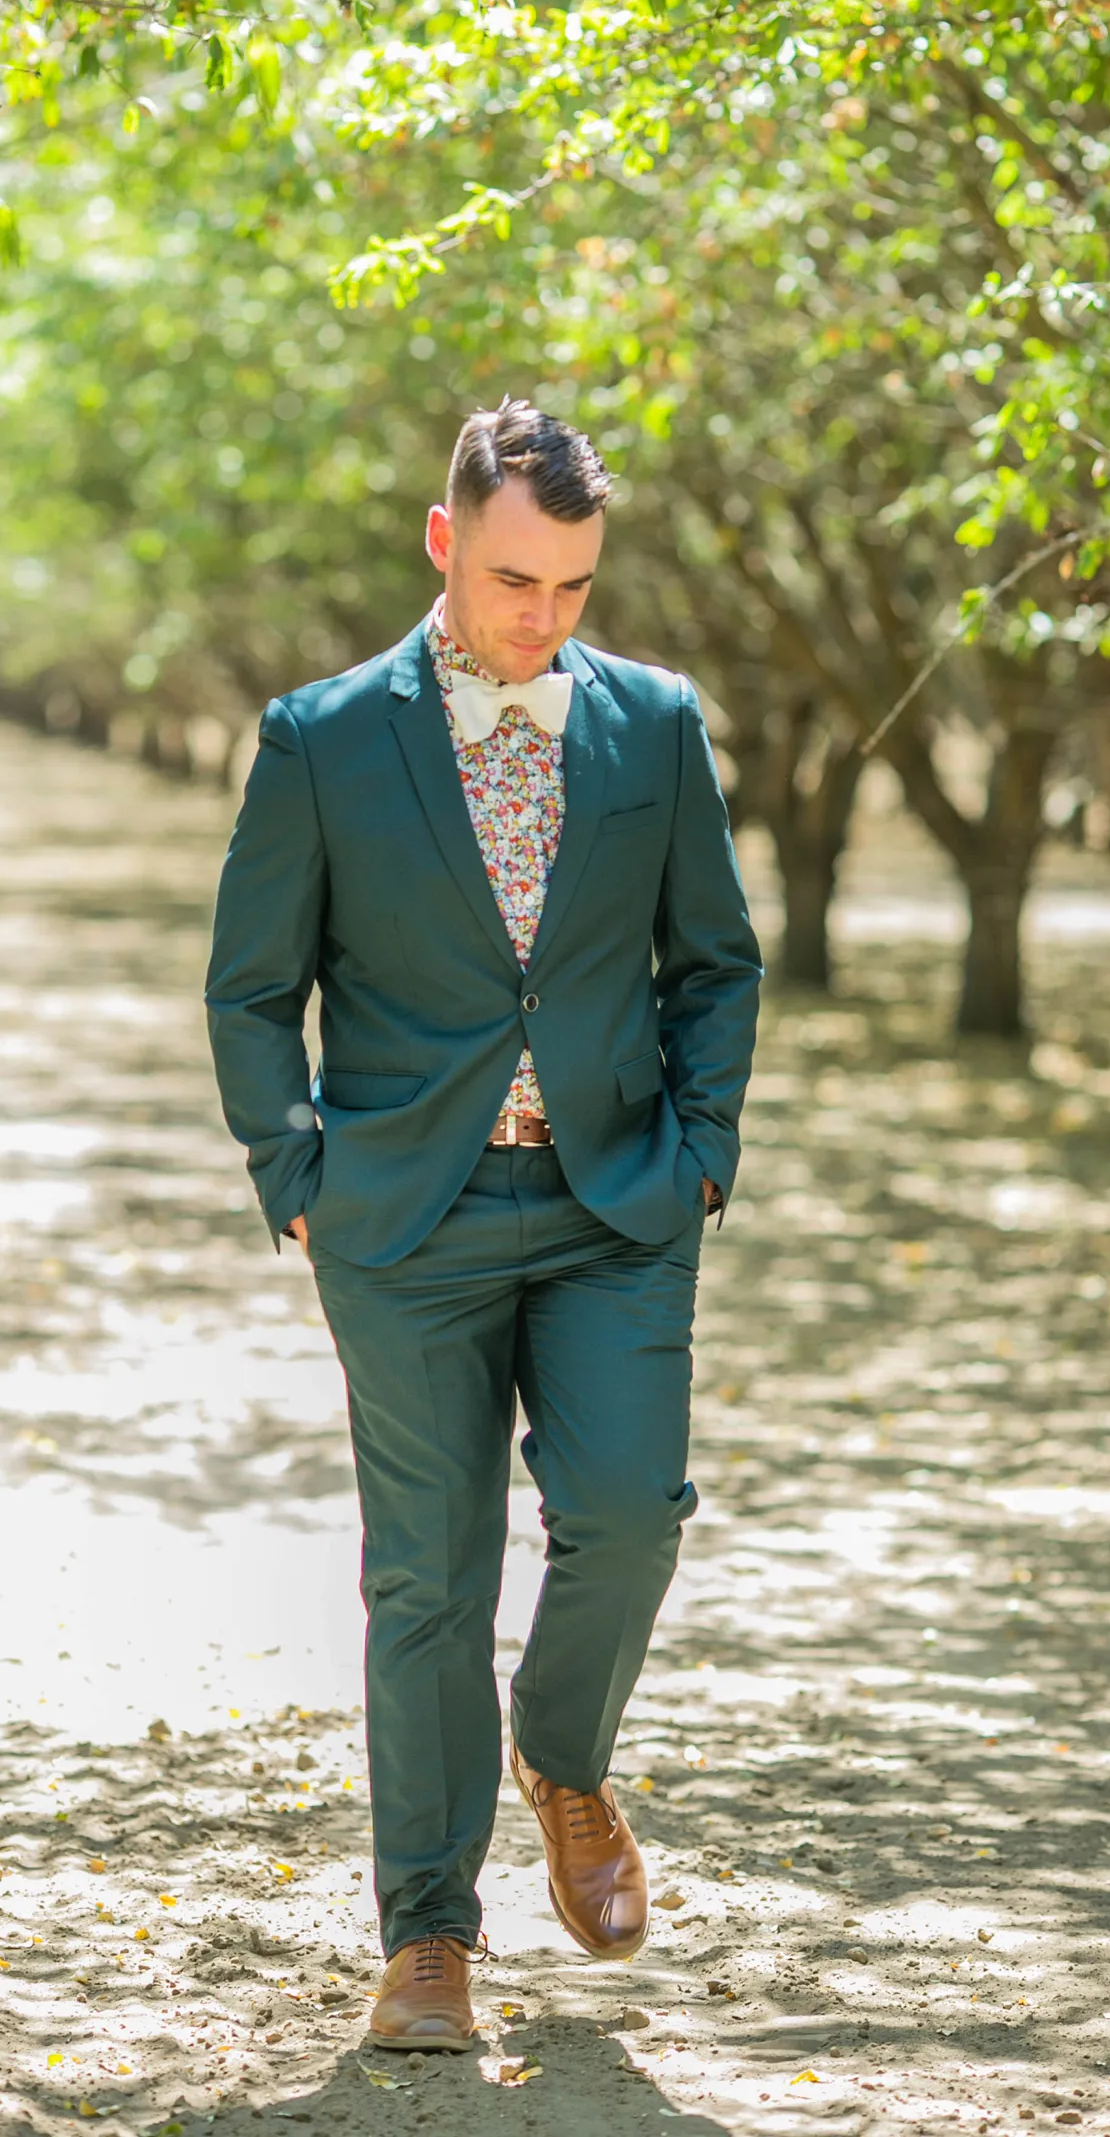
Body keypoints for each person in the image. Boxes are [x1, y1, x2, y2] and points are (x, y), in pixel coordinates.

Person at [205, 399, 761, 2049]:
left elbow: (714, 962)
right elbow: (252, 990)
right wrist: (294, 1174)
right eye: (516, 577)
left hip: (615, 1205)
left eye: (575, 587)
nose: (544, 617)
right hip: (405, 1220)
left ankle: (565, 1759)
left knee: (632, 1513)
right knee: (427, 1583)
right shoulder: (320, 737)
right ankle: (429, 1938)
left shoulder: (654, 727)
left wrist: (707, 1151)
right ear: (447, 542)